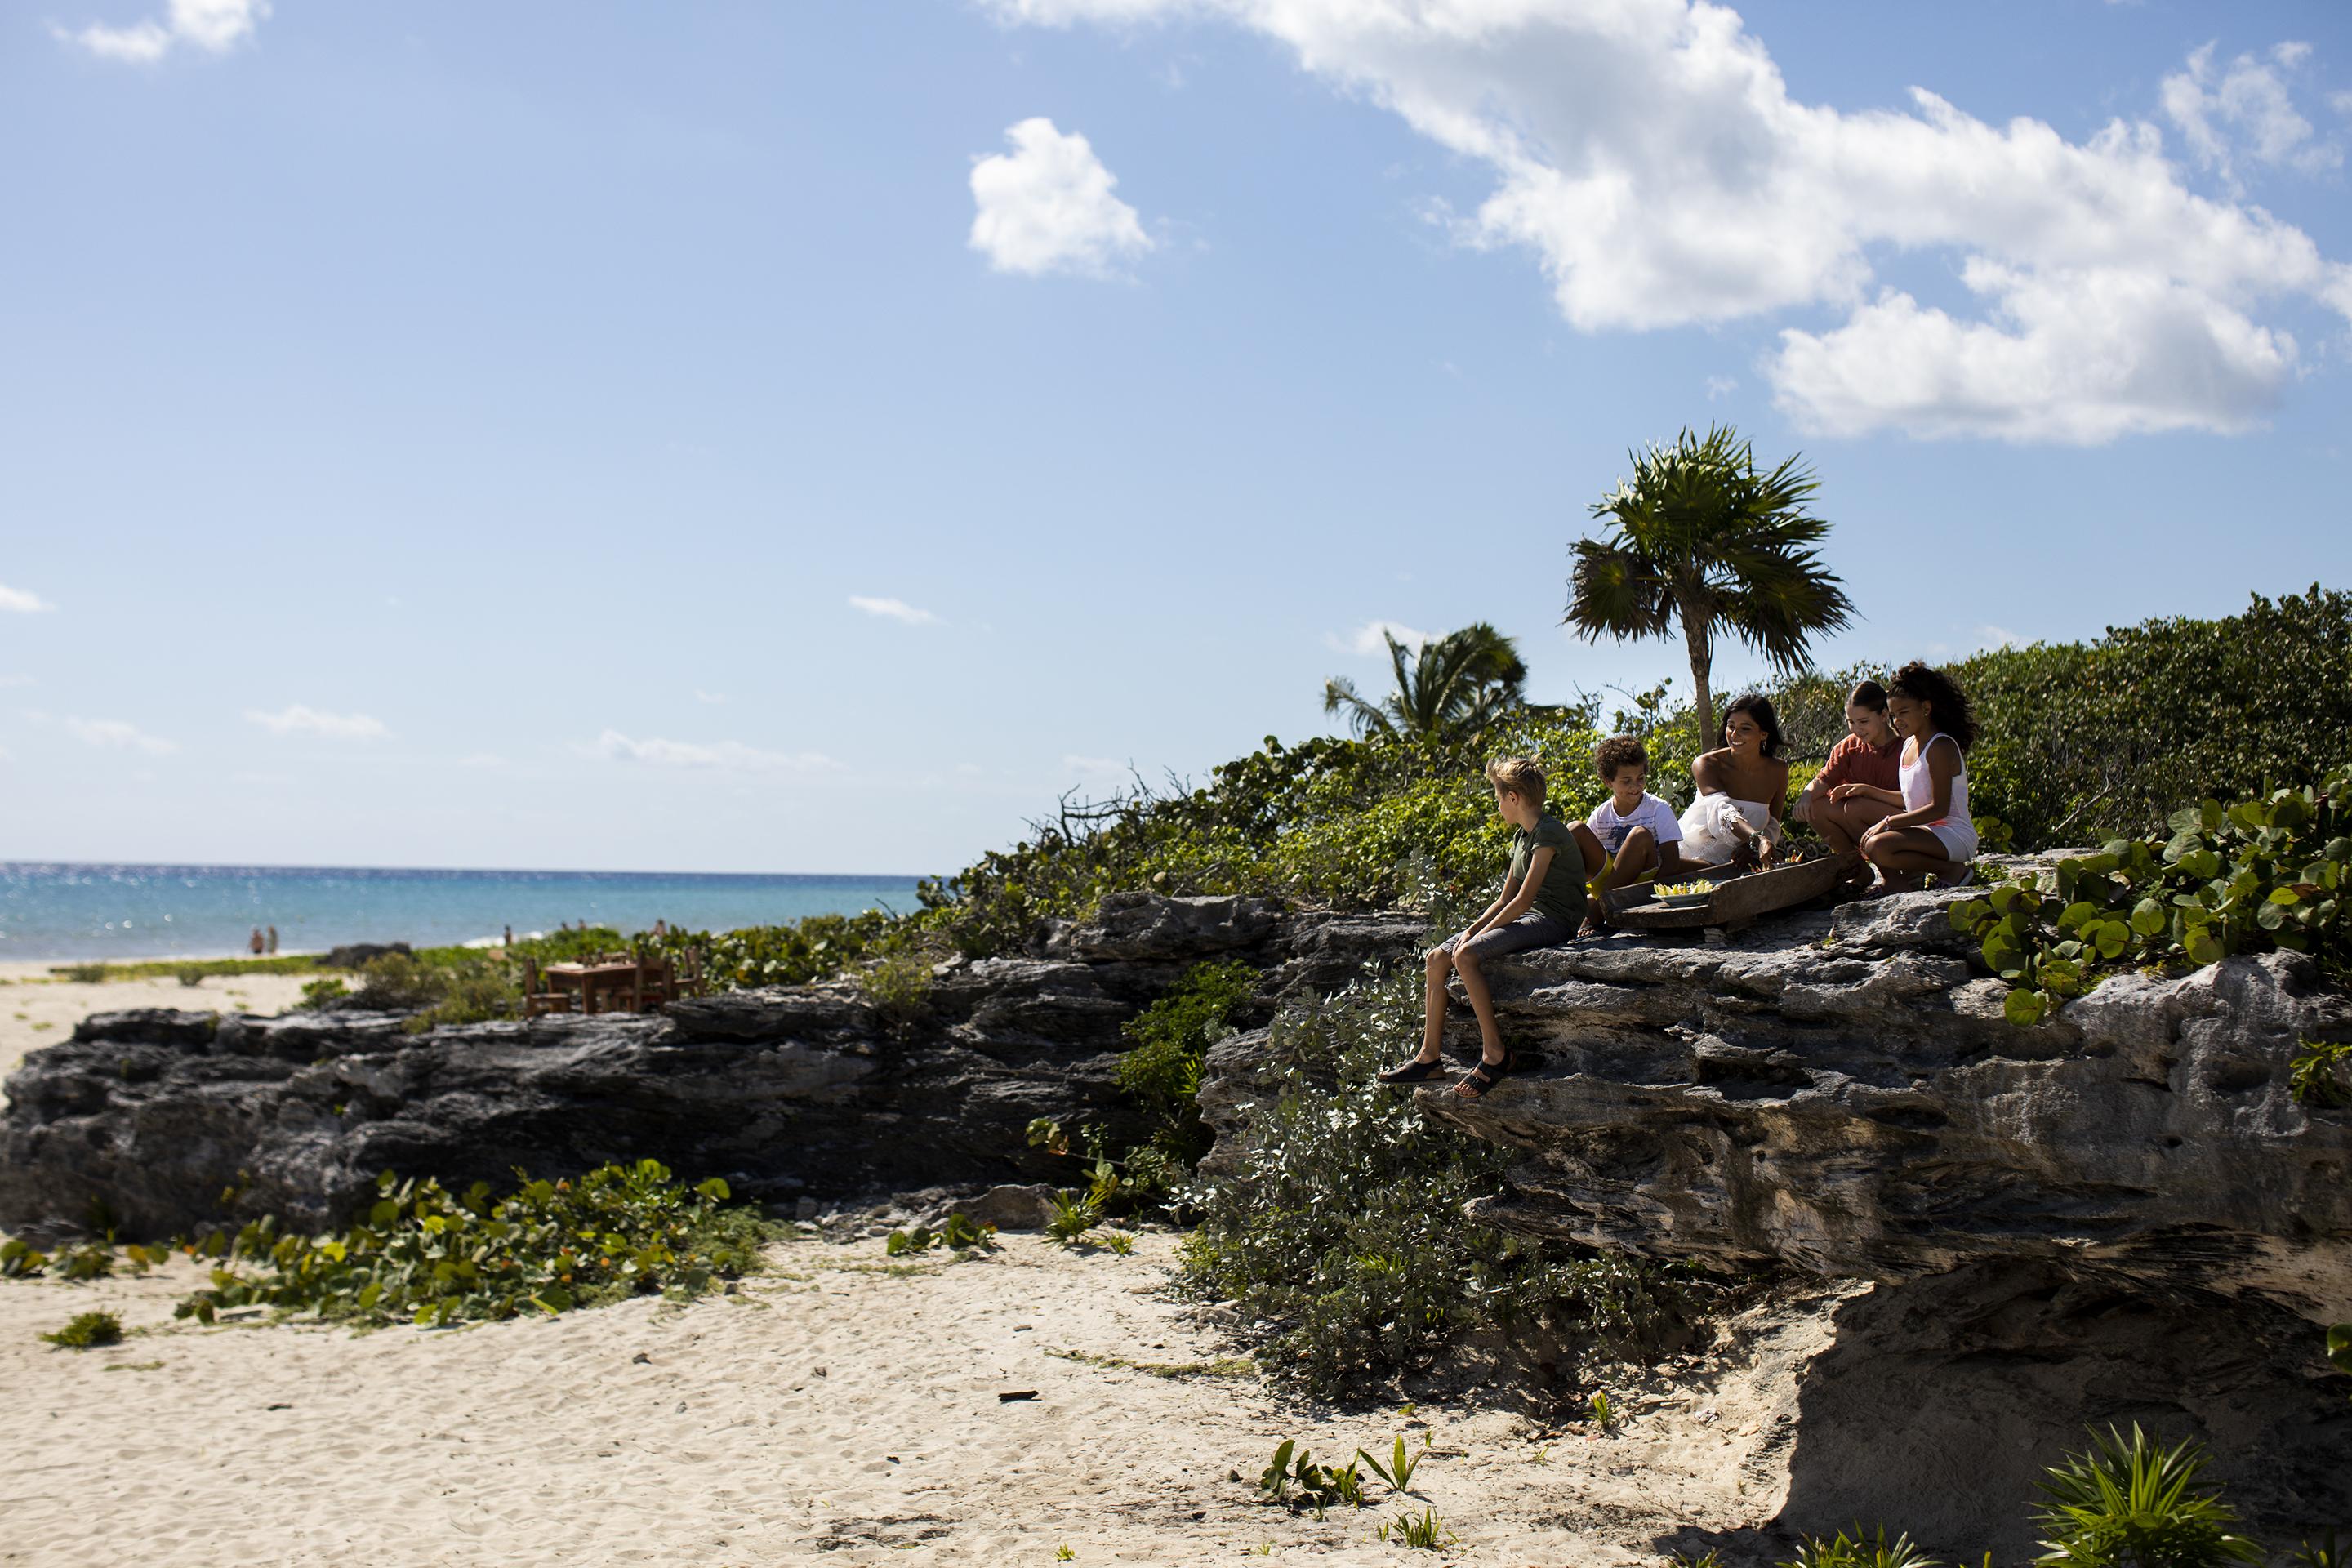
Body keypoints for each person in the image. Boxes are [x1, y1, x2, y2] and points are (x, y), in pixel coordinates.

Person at [1378, 755, 1580, 1099]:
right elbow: (1504, 900)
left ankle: (1495, 1054)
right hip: (1529, 916)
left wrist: (1473, 940)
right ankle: (1429, 1058)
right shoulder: (1522, 838)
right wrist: (1471, 929)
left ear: (1513, 798)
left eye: (1499, 798)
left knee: (1467, 956)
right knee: (1437, 958)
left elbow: (1524, 901)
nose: (1498, 805)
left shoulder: (1548, 832)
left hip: (1554, 920)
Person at [1859, 661, 1980, 892]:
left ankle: (1952, 869)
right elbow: (1909, 799)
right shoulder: (1908, 745)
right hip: (1928, 832)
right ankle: (1928, 873)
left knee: (1878, 846)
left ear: (1926, 708)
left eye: (1904, 712)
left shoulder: (1940, 746)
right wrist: (1865, 791)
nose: (1897, 721)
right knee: (1865, 825)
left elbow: (1939, 809)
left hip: (1953, 834)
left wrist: (1887, 823)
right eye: (1893, 715)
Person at [1575, 734, 1683, 935]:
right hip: (1609, 884)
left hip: (1642, 884)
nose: (1635, 787)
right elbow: (1588, 858)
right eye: (1626, 781)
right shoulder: (1600, 815)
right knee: (1575, 829)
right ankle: (1596, 906)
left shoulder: (1658, 809)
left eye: (1640, 778)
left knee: (1640, 836)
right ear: (1609, 782)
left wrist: (1651, 902)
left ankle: (1599, 910)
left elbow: (1672, 864)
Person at [1799, 679, 1904, 866]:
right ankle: (1857, 869)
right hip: (1860, 823)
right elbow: (1824, 779)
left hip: (1901, 824)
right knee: (1815, 805)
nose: (1856, 729)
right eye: (1851, 722)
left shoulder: (1907, 747)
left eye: (1863, 721)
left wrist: (1865, 791)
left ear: (1884, 715)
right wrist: (1805, 797)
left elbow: (1915, 800)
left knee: (1857, 807)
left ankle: (1904, 871)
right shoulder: (1849, 745)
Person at [1679, 693, 1790, 867]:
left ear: (1763, 734)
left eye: (1745, 728)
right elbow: (1723, 813)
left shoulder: (1779, 770)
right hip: (1690, 857)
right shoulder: (1706, 764)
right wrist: (1756, 839)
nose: (1734, 734)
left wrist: (1750, 847)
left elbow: (1774, 824)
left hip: (1739, 863)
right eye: (1731, 726)